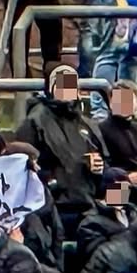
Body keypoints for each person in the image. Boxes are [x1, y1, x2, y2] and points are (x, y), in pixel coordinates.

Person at [14, 64, 108, 234]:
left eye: (71, 84)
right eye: (62, 85)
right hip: (54, 205)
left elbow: (106, 162)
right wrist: (52, 184)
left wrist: (99, 168)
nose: (67, 89)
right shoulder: (35, 120)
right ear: (51, 89)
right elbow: (21, 166)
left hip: (89, 202)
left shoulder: (87, 124)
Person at [100, 82, 137, 174]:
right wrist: (126, 177)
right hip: (117, 181)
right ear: (111, 103)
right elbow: (103, 169)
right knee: (120, 188)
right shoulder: (100, 131)